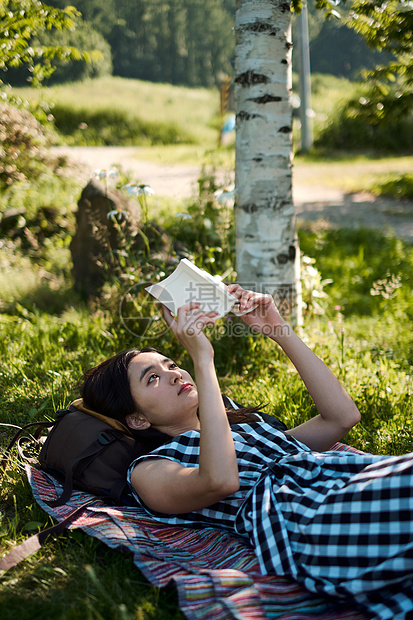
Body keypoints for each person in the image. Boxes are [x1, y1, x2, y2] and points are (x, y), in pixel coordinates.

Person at [82, 285, 413, 620]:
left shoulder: (245, 428)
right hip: (305, 516)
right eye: (153, 378)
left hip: (342, 479)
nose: (174, 374)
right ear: (137, 419)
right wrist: (202, 358)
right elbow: (220, 480)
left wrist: (278, 329)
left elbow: (342, 417)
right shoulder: (149, 469)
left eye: (171, 364)